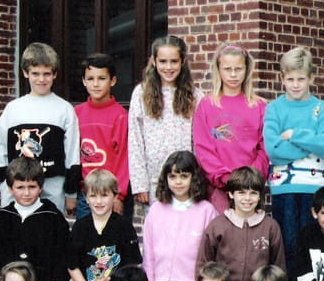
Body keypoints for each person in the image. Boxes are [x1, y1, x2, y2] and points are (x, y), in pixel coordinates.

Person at [263, 46, 324, 270]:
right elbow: (273, 149)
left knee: (312, 248)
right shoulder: (274, 108)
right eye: (290, 79)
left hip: (314, 188)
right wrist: (310, 144)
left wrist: (294, 135)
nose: (295, 84)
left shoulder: (321, 108)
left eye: (301, 79)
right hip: (283, 188)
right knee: (287, 248)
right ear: (282, 79)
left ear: (311, 78)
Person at [0, 41, 80, 216]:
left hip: (53, 187)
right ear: (25, 72)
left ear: (55, 74)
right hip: (17, 187)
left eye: (47, 74)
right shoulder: (13, 109)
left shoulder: (64, 109)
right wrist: (4, 186)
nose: (41, 79)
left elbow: (72, 154)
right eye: (35, 73)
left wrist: (71, 193)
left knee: (49, 227)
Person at [142, 150, 218, 281]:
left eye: (184, 176)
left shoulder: (206, 211)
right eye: (172, 176)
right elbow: (148, 254)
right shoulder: (156, 210)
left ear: (194, 178)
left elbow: (212, 254)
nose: (178, 182)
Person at [67, 168, 142, 281]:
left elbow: (131, 265)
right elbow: (72, 265)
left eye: (104, 195)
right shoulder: (80, 227)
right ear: (86, 198)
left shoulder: (124, 227)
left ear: (115, 196)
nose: (99, 201)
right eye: (93, 196)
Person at [0, 157, 70, 281]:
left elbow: (64, 252)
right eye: (20, 187)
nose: (26, 193)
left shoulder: (52, 216)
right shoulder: (4, 218)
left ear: (40, 187)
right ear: (10, 188)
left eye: (32, 187)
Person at [196, 166, 285, 281]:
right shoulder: (217, 225)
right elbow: (203, 263)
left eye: (253, 193)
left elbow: (278, 266)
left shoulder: (270, 226)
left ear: (260, 195)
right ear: (231, 194)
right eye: (241, 193)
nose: (247, 198)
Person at [193, 42, 269, 212]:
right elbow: (202, 147)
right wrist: (225, 178)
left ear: (247, 69)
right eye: (227, 69)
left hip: (250, 188)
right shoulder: (207, 104)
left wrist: (250, 178)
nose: (233, 74)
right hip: (218, 188)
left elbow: (264, 148)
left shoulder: (258, 106)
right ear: (218, 70)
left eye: (238, 69)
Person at [128, 35, 203, 206]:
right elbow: (135, 140)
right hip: (154, 180)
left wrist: (197, 179)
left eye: (174, 61)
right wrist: (139, 184)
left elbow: (198, 140)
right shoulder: (141, 93)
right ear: (154, 61)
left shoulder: (195, 95)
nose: (168, 67)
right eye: (163, 61)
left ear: (182, 61)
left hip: (185, 179)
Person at [74, 52, 133, 221]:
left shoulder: (120, 116)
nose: (96, 84)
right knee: (86, 235)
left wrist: (119, 195)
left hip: (112, 193)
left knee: (116, 235)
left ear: (112, 80)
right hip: (86, 193)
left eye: (101, 78)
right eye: (90, 79)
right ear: (84, 81)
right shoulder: (76, 114)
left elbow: (123, 158)